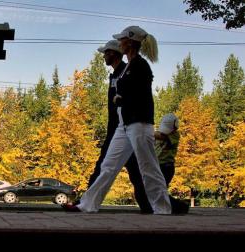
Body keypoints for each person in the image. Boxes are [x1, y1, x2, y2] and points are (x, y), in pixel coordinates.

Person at [64, 26, 171, 214]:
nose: (119, 41)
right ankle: (88, 204)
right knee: (108, 166)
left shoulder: (140, 65)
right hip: (124, 124)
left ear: (129, 42)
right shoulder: (128, 66)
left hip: (139, 123)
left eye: (121, 39)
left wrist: (122, 98)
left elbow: (142, 94)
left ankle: (162, 208)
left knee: (148, 167)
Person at [75, 40, 152, 213]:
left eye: (105, 53)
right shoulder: (115, 74)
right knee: (113, 167)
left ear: (113, 53)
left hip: (127, 127)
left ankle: (152, 205)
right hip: (117, 128)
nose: (103, 56)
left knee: (135, 171)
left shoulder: (127, 70)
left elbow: (136, 95)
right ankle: (86, 203)